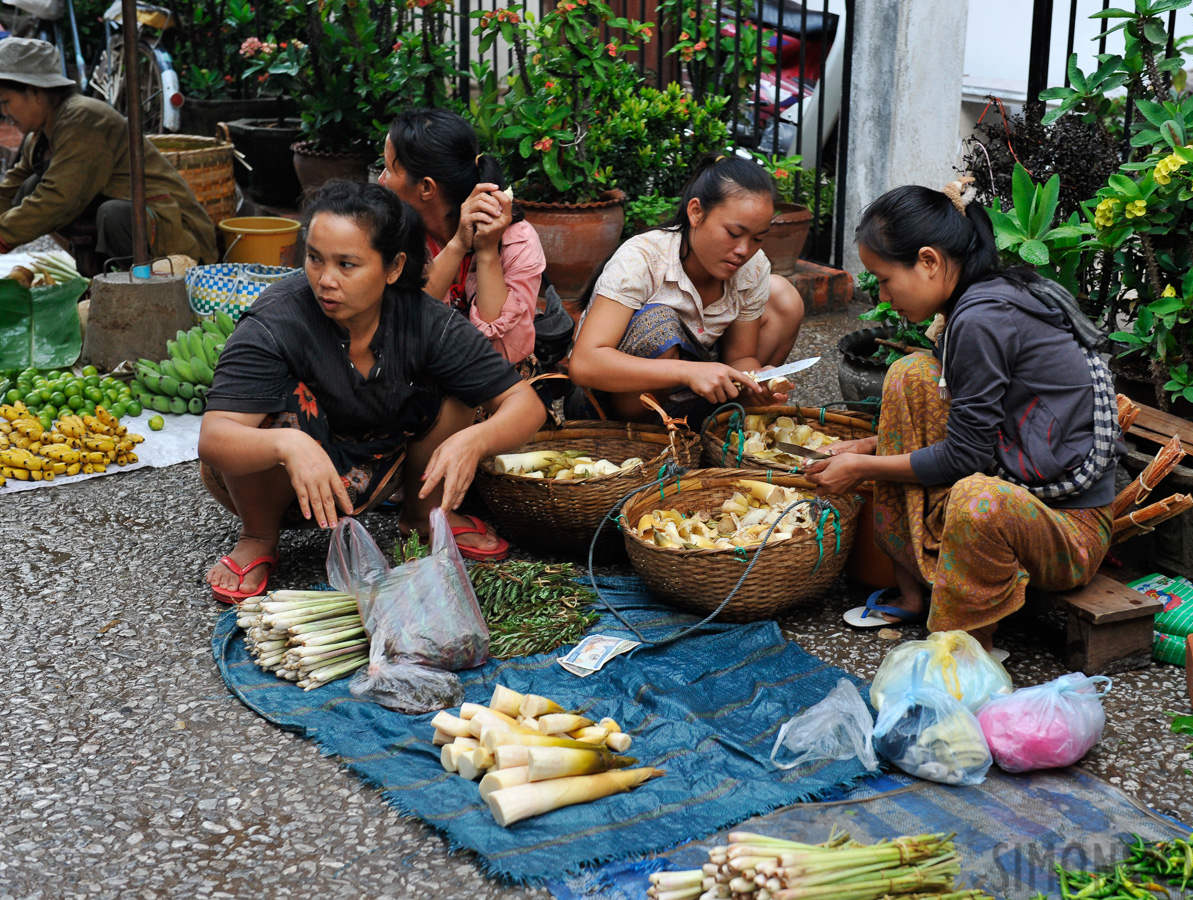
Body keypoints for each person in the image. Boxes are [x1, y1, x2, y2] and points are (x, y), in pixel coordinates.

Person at [804, 183, 1119, 650]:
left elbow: (966, 455)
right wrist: (869, 446)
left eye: (885, 279)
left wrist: (864, 467)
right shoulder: (977, 302)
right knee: (910, 374)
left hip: (1068, 533)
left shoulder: (981, 318)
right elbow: (979, 427)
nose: (884, 298)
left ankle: (969, 650)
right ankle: (915, 593)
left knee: (976, 498)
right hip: (1020, 491)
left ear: (929, 262)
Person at [197, 181, 545, 603]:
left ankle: (423, 516)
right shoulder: (275, 321)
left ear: (394, 267)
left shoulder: (427, 322)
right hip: (274, 476)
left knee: (459, 391)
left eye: (347, 264)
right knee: (275, 410)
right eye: (314, 259)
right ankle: (258, 536)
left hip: (378, 463)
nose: (325, 280)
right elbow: (215, 439)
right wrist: (287, 444)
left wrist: (475, 440)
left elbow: (525, 406)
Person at [565, 155, 804, 424]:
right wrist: (688, 372)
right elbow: (585, 364)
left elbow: (742, 357)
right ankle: (651, 438)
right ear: (696, 212)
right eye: (734, 233)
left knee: (785, 298)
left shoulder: (752, 267)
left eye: (758, 238)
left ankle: (716, 421)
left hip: (688, 396)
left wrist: (757, 381)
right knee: (660, 325)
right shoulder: (642, 258)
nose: (744, 250)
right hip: (606, 408)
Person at [0, 38, 217, 274]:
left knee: (112, 214)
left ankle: (142, 287)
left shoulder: (83, 119)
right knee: (28, 187)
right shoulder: (40, 136)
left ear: (35, 92)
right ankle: (99, 274)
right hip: (141, 224)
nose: (4, 113)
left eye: (5, 102)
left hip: (179, 243)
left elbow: (59, 198)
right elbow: (10, 189)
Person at [378, 108, 544, 376]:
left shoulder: (517, 241)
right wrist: (457, 245)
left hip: (491, 388)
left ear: (426, 188)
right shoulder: (395, 233)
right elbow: (397, 328)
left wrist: (487, 250)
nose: (380, 180)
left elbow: (506, 354)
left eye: (388, 169)